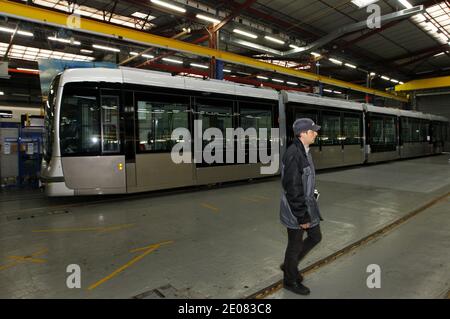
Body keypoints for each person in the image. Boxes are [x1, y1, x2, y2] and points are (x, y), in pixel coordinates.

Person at [279, 118, 323, 295]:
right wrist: (302, 216)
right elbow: (293, 188)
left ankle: (289, 265)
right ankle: (290, 280)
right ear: (303, 133)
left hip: (307, 204)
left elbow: (304, 181)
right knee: (295, 245)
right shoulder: (293, 154)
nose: (316, 133)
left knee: (315, 236)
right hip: (296, 209)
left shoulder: (304, 150)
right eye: (313, 131)